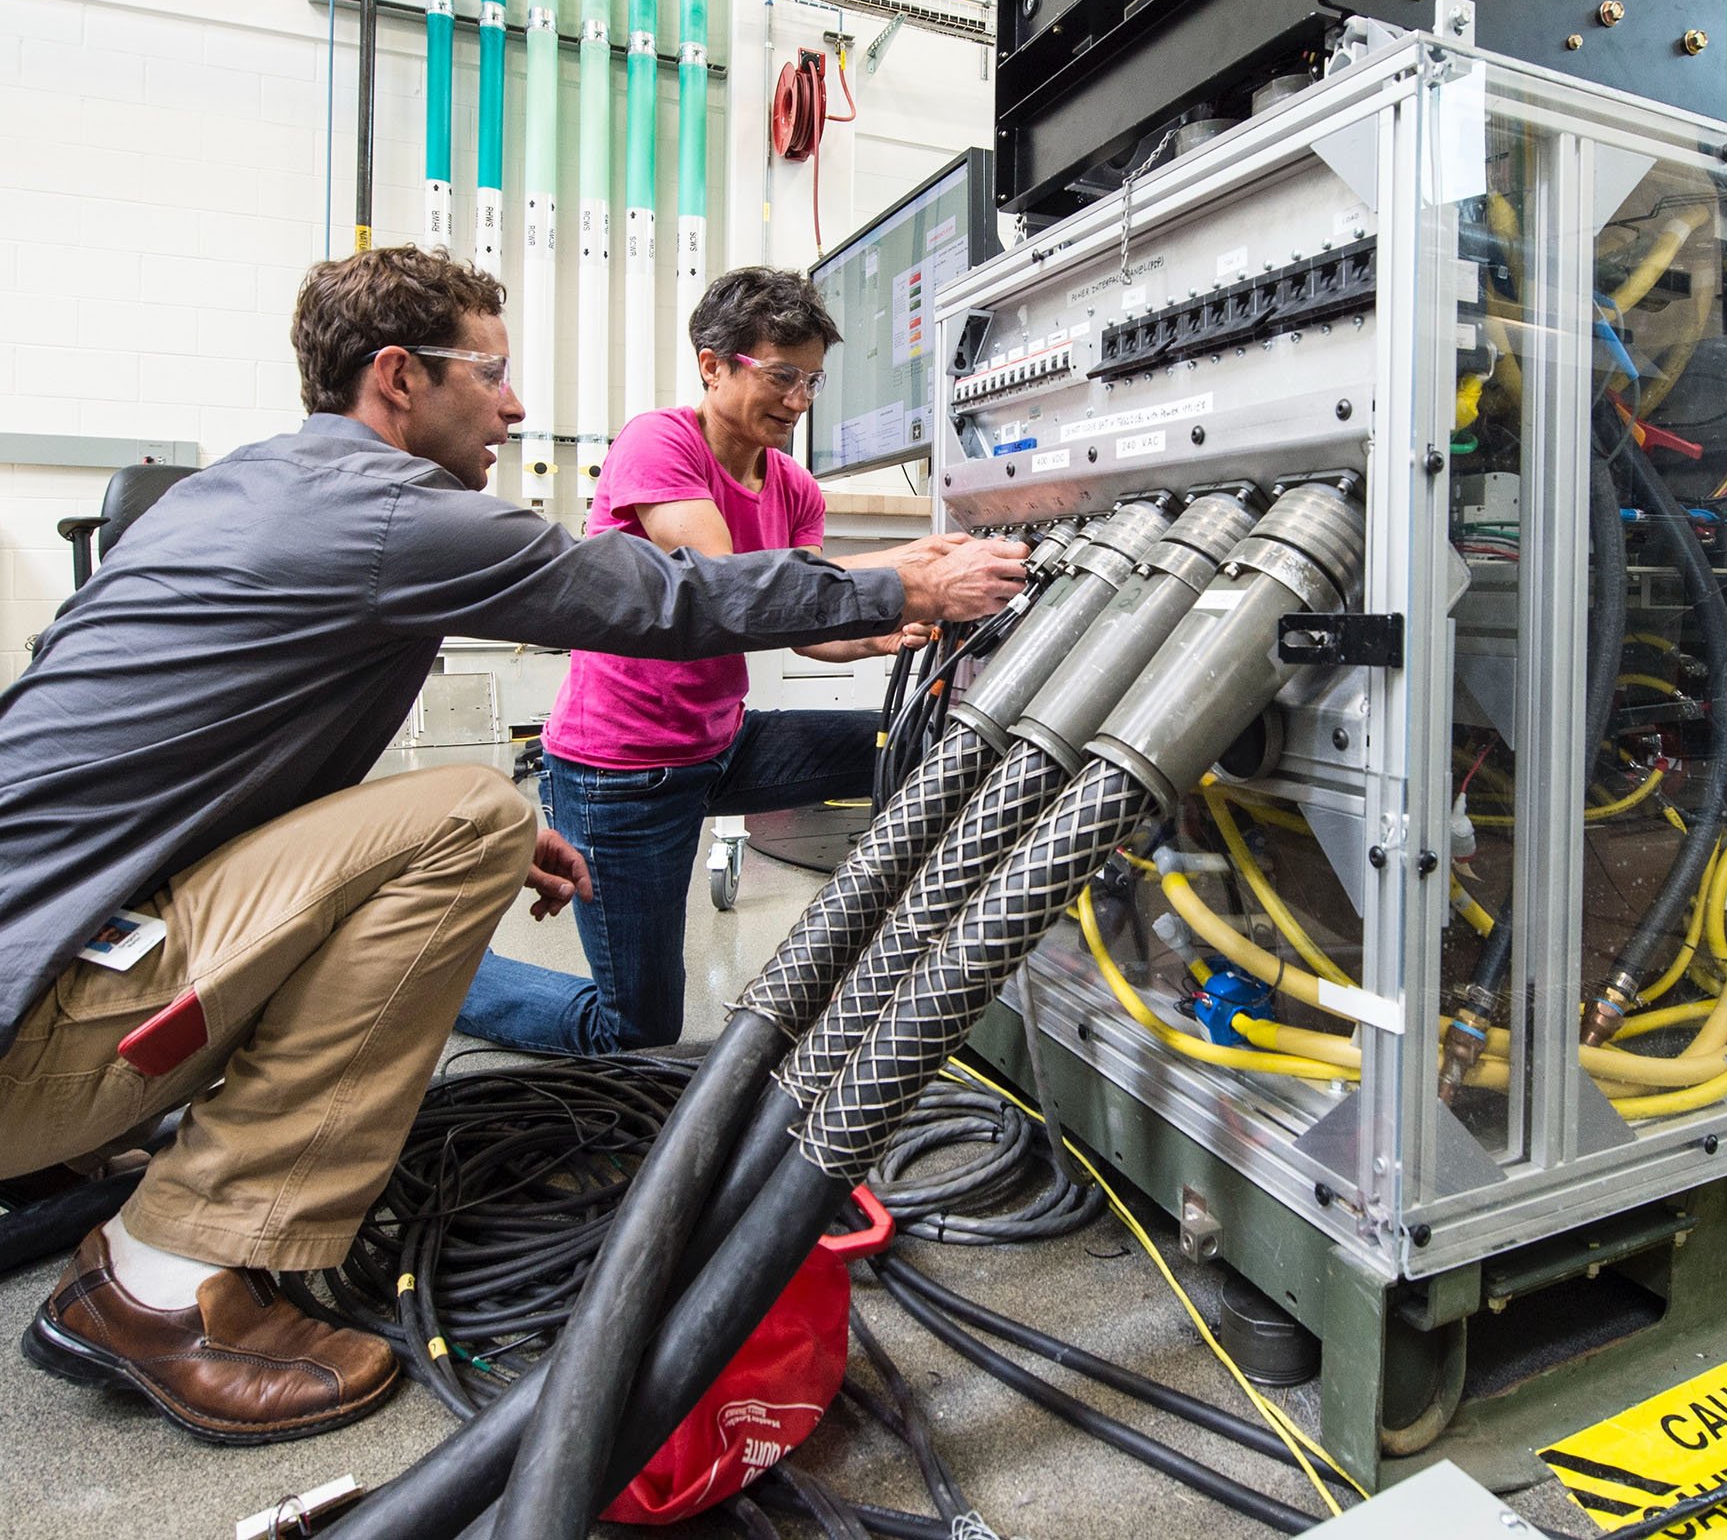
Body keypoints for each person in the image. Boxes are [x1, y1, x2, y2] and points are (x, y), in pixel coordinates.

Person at [0, 246, 1026, 1445]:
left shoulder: (242, 488)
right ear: (397, 376)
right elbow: (661, 596)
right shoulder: (393, 509)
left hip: (48, 966)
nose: (517, 404)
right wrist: (896, 580)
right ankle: (161, 1284)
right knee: (479, 812)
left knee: (478, 823)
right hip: (36, 1042)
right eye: (490, 373)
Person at [456, 268, 930, 1055]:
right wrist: (903, 576)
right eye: (781, 375)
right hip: (622, 773)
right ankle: (457, 985)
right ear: (714, 364)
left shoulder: (794, 488)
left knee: (914, 741)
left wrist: (882, 633)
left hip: (720, 743)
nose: (799, 398)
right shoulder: (660, 442)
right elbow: (726, 592)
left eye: (811, 379)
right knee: (636, 1028)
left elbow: (803, 625)